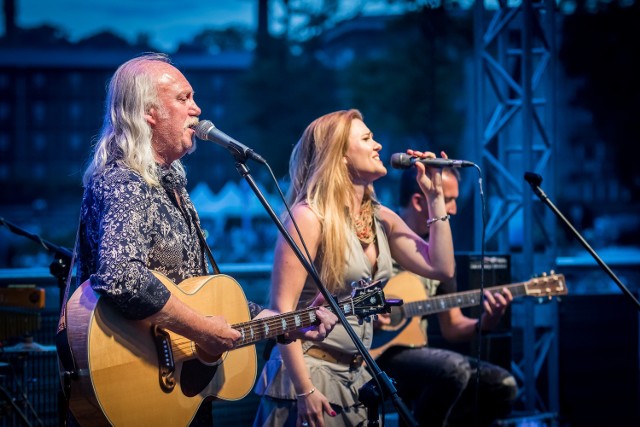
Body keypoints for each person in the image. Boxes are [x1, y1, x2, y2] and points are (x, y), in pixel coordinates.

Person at [69, 52, 338, 426]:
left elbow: (196, 290)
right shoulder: (124, 182)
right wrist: (201, 329)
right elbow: (120, 275)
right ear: (149, 112)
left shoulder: (170, 186)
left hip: (180, 386)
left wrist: (281, 321)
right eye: (183, 99)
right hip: (138, 379)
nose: (197, 109)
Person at [253, 109, 456, 427]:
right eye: (366, 138)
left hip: (356, 377)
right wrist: (304, 391)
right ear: (340, 156)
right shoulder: (308, 217)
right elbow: (282, 314)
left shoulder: (381, 218)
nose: (378, 146)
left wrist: (435, 198)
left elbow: (441, 267)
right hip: (308, 374)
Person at [374, 165, 519, 427]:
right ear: (420, 201)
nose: (452, 209)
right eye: (448, 200)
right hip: (372, 353)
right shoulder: (378, 234)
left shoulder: (441, 255)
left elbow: (452, 327)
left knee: (502, 386)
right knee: (452, 369)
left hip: (414, 352)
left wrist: (485, 322)